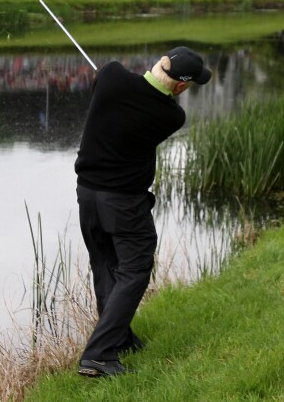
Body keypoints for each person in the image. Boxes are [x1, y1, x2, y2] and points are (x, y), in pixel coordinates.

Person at [75, 46, 212, 378]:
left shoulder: (110, 75)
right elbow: (148, 99)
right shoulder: (171, 116)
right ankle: (99, 354)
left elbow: (109, 84)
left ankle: (119, 339)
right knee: (135, 269)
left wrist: (109, 81)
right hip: (124, 204)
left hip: (87, 194)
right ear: (181, 86)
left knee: (105, 265)